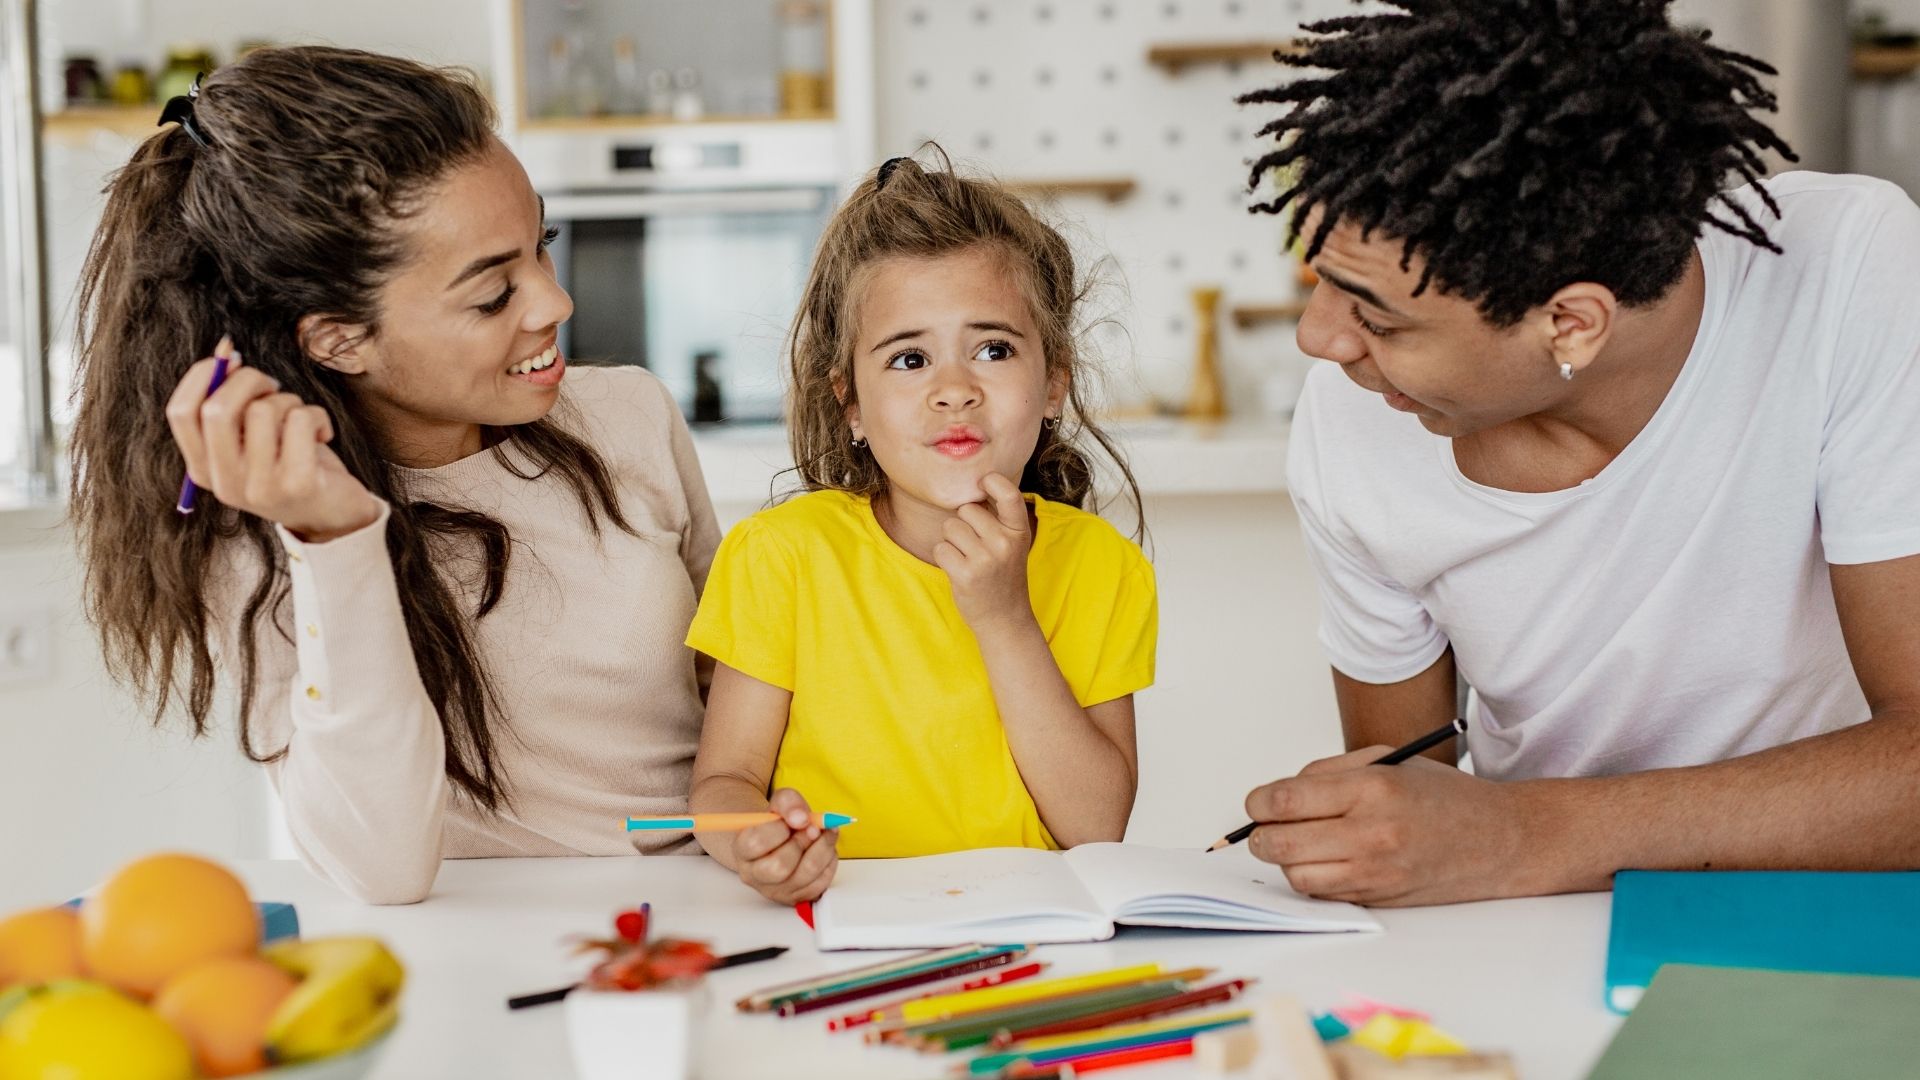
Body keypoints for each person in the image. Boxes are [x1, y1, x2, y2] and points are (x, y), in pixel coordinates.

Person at [1233, 0, 1920, 905]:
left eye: (1376, 316)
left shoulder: (1851, 272)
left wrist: (1524, 832)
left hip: (1832, 916)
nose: (1320, 340)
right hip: (1538, 924)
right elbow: (1408, 794)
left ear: (1571, 324)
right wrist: (1369, 831)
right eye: (1319, 277)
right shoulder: (1354, 417)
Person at [71, 47, 718, 904]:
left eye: (542, 246)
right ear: (339, 339)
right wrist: (334, 538)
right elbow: (382, 864)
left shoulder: (630, 416)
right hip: (468, 956)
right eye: (492, 294)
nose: (554, 304)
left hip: (711, 916)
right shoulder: (258, 533)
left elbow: (744, 682)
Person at [686, 155, 1158, 903]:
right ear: (850, 404)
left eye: (993, 349)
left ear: (1055, 382)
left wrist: (1004, 618)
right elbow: (723, 781)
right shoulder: (780, 557)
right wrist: (754, 841)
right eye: (910, 359)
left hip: (1027, 928)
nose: (954, 391)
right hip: (833, 922)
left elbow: (1096, 826)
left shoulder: (1102, 567)